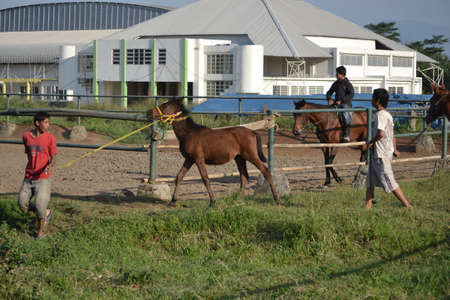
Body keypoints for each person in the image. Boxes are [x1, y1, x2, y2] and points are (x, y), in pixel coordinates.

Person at [365, 88, 411, 209]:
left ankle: (407, 206)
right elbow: (392, 134)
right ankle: (367, 207)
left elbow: (381, 133)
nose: (371, 100)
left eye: (373, 98)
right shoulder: (387, 115)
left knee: (389, 180)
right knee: (370, 182)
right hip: (380, 153)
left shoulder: (380, 115)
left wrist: (371, 142)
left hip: (381, 153)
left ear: (377, 100)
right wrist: (395, 149)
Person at [18, 112, 58, 238]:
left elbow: (53, 157)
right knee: (22, 204)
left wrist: (49, 165)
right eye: (46, 122)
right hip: (29, 176)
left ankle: (41, 232)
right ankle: (45, 212)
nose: (48, 125)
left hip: (43, 178)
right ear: (37, 123)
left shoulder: (50, 138)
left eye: (48, 122)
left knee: (40, 204)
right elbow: (29, 153)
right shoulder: (26, 137)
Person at [326, 66, 354, 142]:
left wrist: (341, 101)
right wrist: (329, 99)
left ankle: (347, 134)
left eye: (337, 73)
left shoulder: (347, 84)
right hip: (336, 103)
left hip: (345, 104)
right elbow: (329, 92)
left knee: (345, 113)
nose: (336, 74)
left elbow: (351, 94)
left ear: (341, 74)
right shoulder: (336, 84)